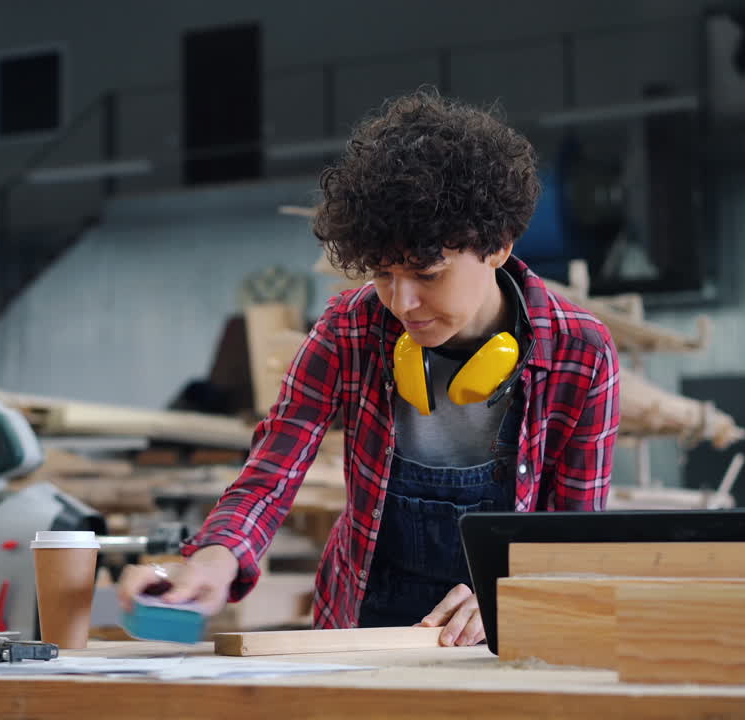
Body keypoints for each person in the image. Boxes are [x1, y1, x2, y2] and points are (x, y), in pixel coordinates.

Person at [118, 90, 621, 646]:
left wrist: (512, 594)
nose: (402, 304)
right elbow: (270, 473)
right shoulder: (349, 330)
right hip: (359, 627)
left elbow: (574, 539)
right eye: (382, 274)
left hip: (500, 632)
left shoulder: (581, 353)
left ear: (499, 245)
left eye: (426, 274)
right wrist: (213, 560)